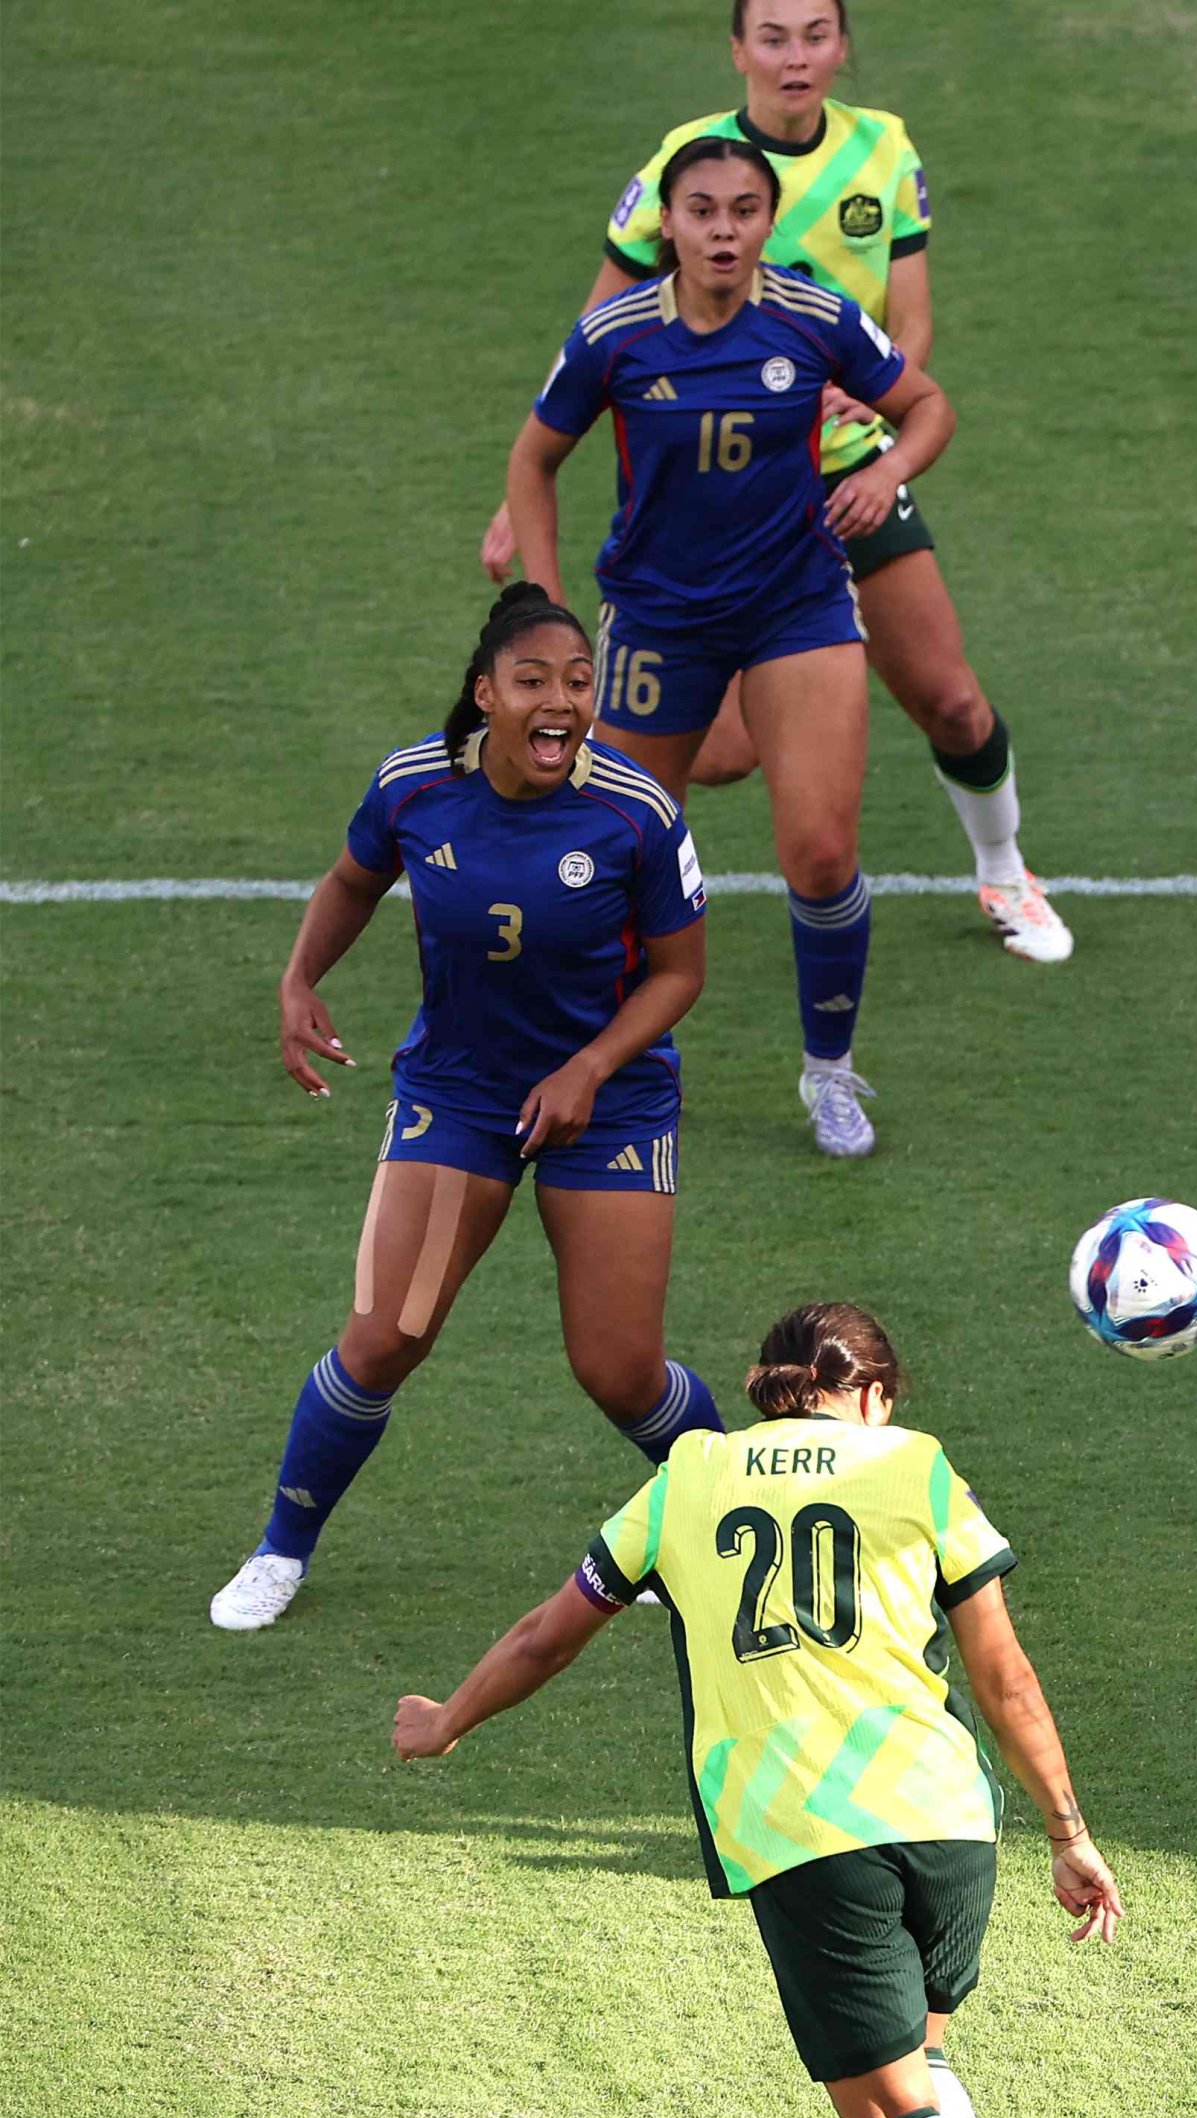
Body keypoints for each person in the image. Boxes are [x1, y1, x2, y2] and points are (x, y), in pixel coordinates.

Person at [390, 1302, 1128, 2118]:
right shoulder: (918, 1469)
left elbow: (549, 1633)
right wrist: (1069, 1832)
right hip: (948, 1823)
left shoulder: (687, 1480)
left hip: (805, 1835)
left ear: (771, 1389)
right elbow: (1005, 1672)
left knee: (884, 2117)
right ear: (874, 1394)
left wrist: (446, 1723)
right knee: (922, 2069)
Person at [481, 0, 1071, 967]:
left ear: (842, 47)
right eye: (773, 37)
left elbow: (910, 328)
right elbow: (604, 327)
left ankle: (1005, 871)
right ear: (738, 51)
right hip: (722, 507)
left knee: (954, 703)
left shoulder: (884, 151)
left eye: (815, 36)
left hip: (843, 484)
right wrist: (523, 487)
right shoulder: (692, 161)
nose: (795, 58)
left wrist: (875, 428)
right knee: (721, 754)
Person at [211, 584, 720, 1633]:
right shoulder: (413, 787)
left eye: (580, 683)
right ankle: (279, 1550)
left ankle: (716, 1530)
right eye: (534, 681)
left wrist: (586, 1068)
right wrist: (300, 981)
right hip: (462, 1092)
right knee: (386, 1335)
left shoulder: (636, 808)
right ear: (484, 693)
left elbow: (679, 974)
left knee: (618, 1370)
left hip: (612, 1102)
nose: (563, 703)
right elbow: (352, 881)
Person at [504, 129, 953, 1160]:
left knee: (821, 849)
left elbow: (926, 405)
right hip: (659, 619)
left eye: (742, 212)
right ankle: (609, 1064)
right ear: (669, 221)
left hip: (797, 606)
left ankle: (831, 1076)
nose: (721, 231)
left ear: (765, 222)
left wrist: (885, 473)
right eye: (701, 211)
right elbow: (532, 465)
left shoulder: (814, 318)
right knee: (617, 852)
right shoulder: (614, 336)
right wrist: (544, 611)